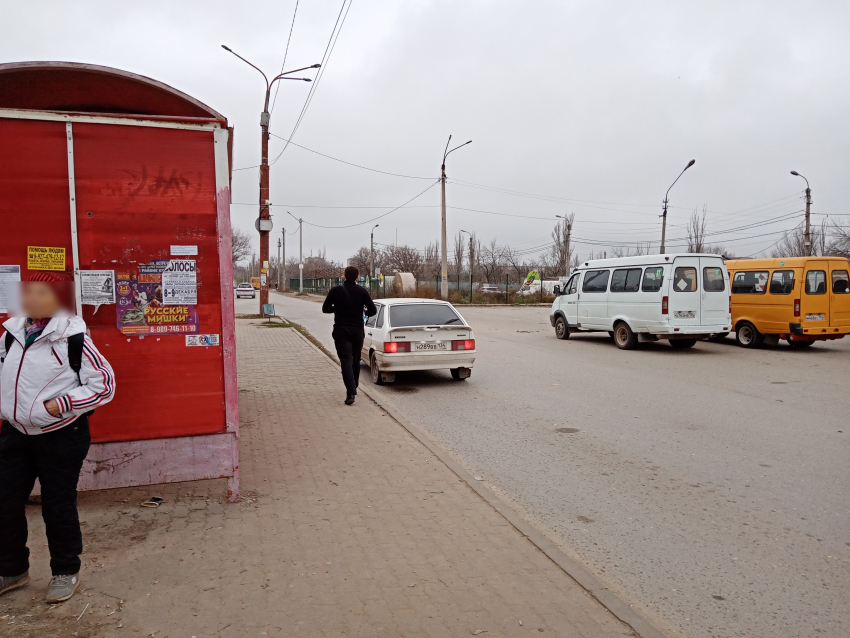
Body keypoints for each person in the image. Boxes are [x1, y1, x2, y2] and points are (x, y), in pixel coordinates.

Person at [0, 272, 116, 603]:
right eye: (29, 292)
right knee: (4, 501)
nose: (33, 299)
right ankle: (12, 570)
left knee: (57, 505)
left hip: (61, 433)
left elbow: (104, 384)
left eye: (42, 293)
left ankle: (65, 571)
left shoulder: (73, 338)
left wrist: (61, 404)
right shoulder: (11, 334)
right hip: (16, 433)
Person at [322, 266, 376, 405]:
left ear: (344, 277)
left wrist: (337, 308)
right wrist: (363, 310)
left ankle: (351, 392)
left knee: (346, 360)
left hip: (341, 330)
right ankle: (354, 385)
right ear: (357, 278)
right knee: (356, 359)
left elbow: (325, 309)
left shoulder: (335, 290)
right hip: (357, 331)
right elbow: (373, 311)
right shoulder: (362, 291)